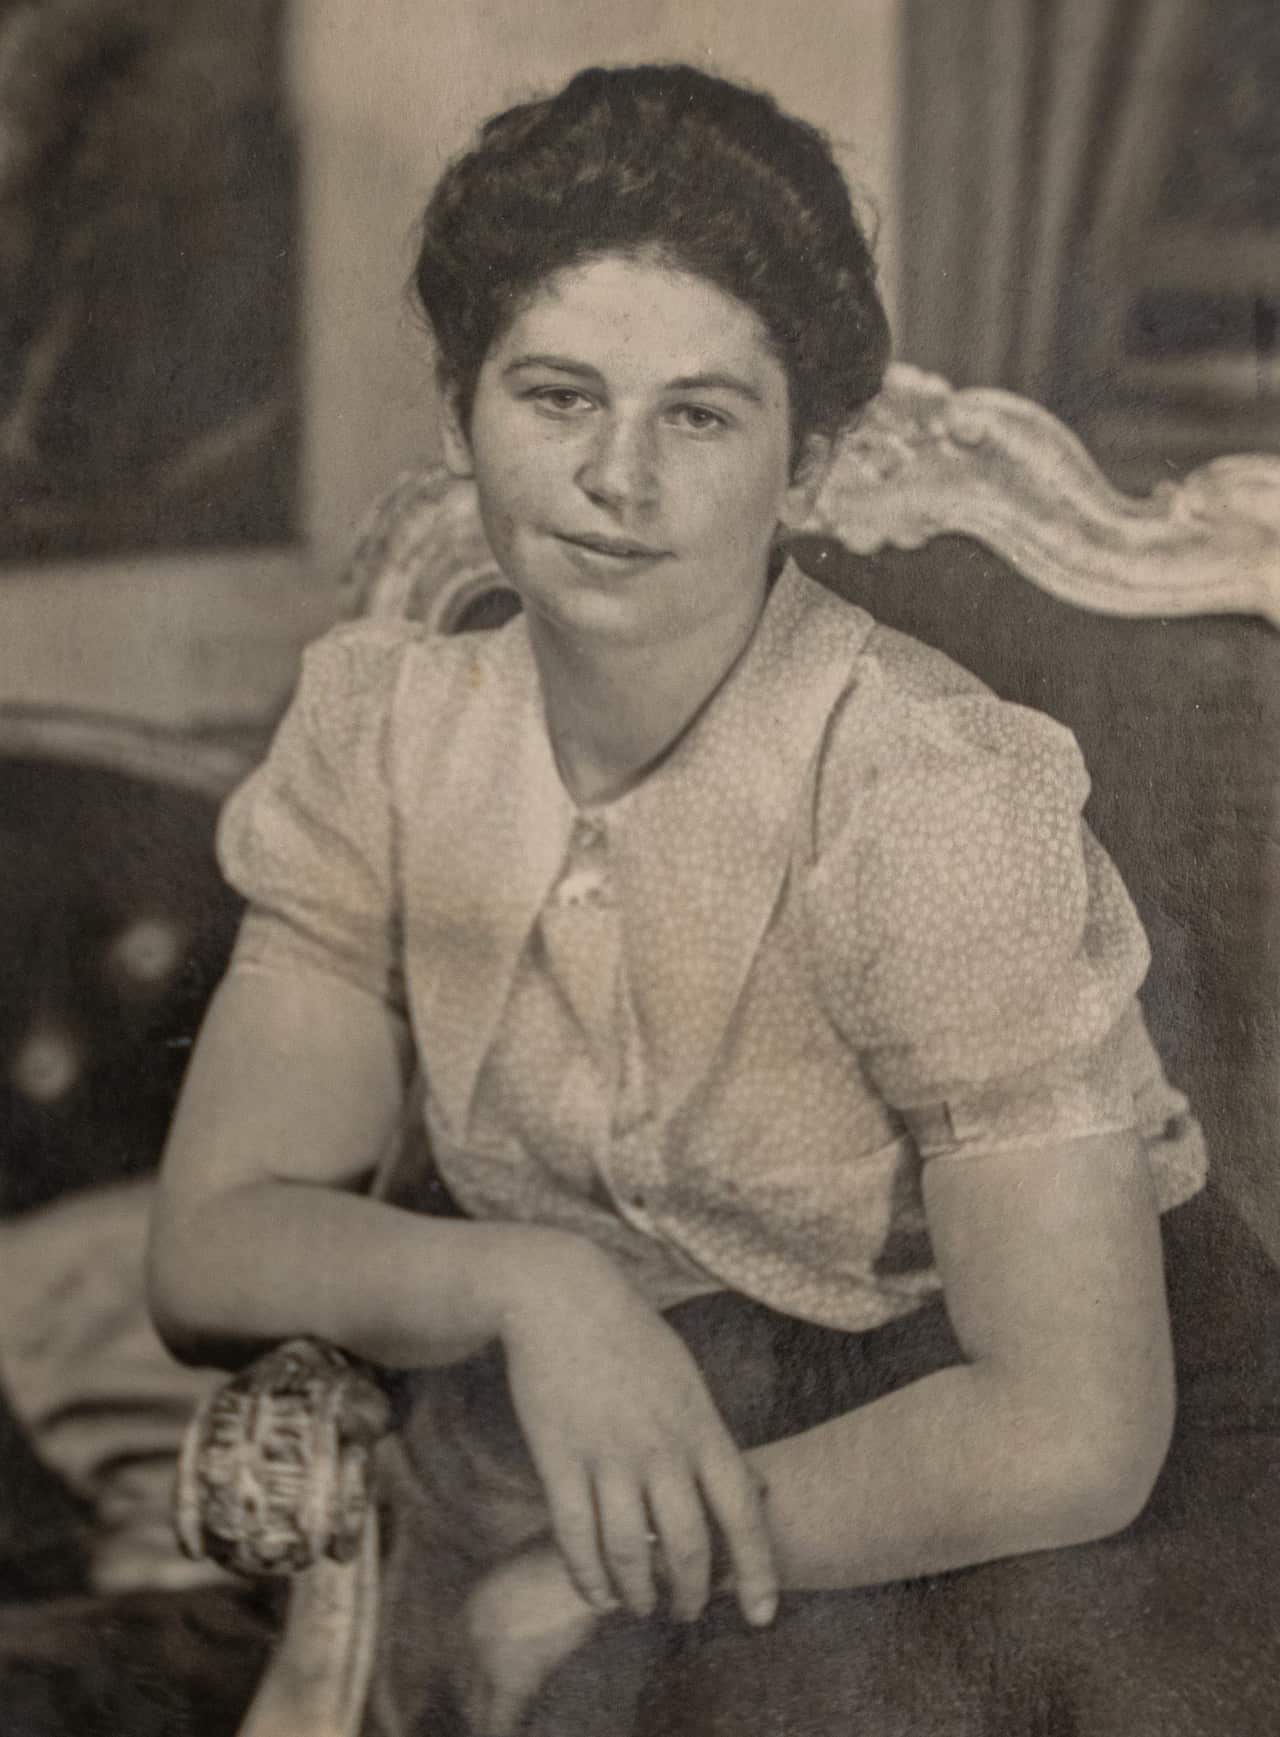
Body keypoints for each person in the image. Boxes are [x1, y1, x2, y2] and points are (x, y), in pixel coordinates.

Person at [147, 63, 1207, 1737]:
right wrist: (533, 1286)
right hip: (557, 1429)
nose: (616, 478)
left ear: (808, 462)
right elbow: (212, 1244)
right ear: (458, 416)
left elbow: (1074, 1427)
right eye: (556, 395)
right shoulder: (385, 733)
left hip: (947, 1473)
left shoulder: (922, 789)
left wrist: (605, 1578)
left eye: (700, 416)